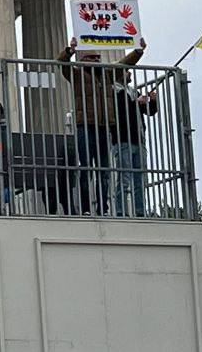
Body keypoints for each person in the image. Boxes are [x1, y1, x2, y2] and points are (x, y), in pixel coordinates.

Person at [59, 35, 147, 215]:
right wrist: (70, 50)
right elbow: (62, 63)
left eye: (98, 58)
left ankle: (102, 209)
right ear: (83, 60)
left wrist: (138, 52)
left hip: (104, 127)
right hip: (85, 126)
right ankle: (85, 208)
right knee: (86, 169)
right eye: (92, 58)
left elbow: (124, 63)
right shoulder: (77, 75)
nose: (97, 60)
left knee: (104, 171)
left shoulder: (107, 75)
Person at [111, 65, 159, 217]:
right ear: (120, 73)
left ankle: (140, 211)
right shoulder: (114, 90)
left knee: (140, 179)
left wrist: (152, 101)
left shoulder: (132, 91)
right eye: (127, 71)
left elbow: (149, 111)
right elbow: (121, 110)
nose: (130, 73)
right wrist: (136, 102)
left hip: (139, 140)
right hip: (123, 139)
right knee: (124, 178)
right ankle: (121, 211)